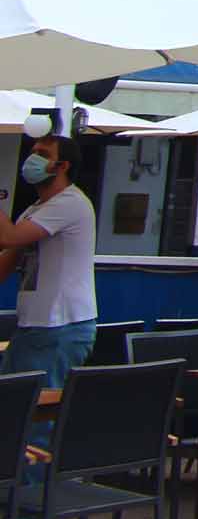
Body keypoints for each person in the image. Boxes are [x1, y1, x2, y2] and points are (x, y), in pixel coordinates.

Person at [0, 135, 97, 388]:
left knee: (34, 414)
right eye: (32, 152)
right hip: (33, 327)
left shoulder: (70, 203)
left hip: (59, 326)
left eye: (42, 154)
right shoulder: (35, 210)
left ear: (62, 166)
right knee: (12, 410)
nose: (31, 159)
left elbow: (9, 237)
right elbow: (7, 260)